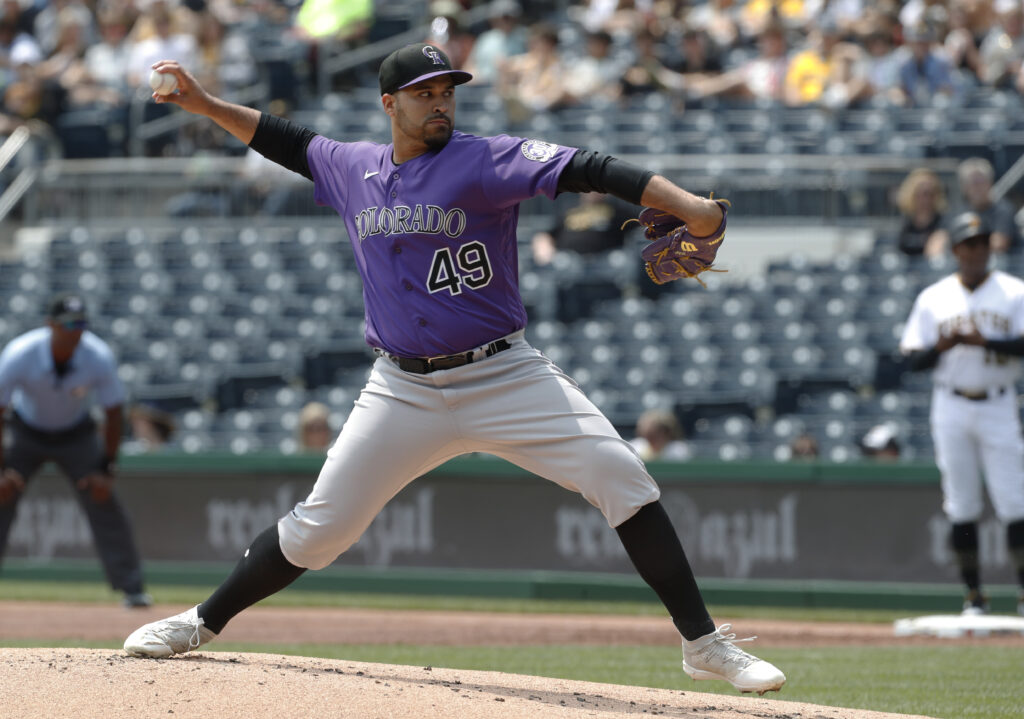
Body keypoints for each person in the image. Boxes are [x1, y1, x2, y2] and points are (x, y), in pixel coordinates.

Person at [122, 44, 786, 695]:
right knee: (320, 529)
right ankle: (200, 621)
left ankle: (704, 645)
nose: (441, 103)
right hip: (401, 388)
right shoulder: (350, 167)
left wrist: (695, 208)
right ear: (390, 103)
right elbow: (282, 139)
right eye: (425, 93)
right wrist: (204, 102)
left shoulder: (483, 158)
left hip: (503, 374)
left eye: (448, 91)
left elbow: (590, 166)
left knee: (620, 474)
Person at [899, 212, 1024, 617]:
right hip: (950, 405)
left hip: (999, 402)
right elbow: (912, 361)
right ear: (955, 250)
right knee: (961, 504)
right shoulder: (934, 297)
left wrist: (985, 340)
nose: (976, 251)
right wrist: (943, 346)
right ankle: (974, 596)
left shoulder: (1014, 291)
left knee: (1015, 502)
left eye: (982, 243)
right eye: (968, 244)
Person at [0, 295, 151, 608]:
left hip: (76, 434)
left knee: (102, 498)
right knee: (1, 495)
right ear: (50, 324)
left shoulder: (97, 355)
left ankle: (132, 588)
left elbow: (113, 413)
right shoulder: (20, 353)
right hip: (25, 431)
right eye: (68, 323)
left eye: (81, 323)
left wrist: (107, 468)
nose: (75, 330)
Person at [954, 157, 1020, 255]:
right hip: (966, 266)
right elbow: (943, 240)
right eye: (973, 183)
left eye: (981, 182)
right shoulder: (957, 212)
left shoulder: (1004, 210)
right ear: (964, 187)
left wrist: (964, 251)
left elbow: (998, 245)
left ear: (990, 183)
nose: (977, 188)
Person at [892, 167, 949, 257]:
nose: (925, 200)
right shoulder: (905, 223)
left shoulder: (943, 223)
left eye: (930, 194)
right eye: (920, 194)